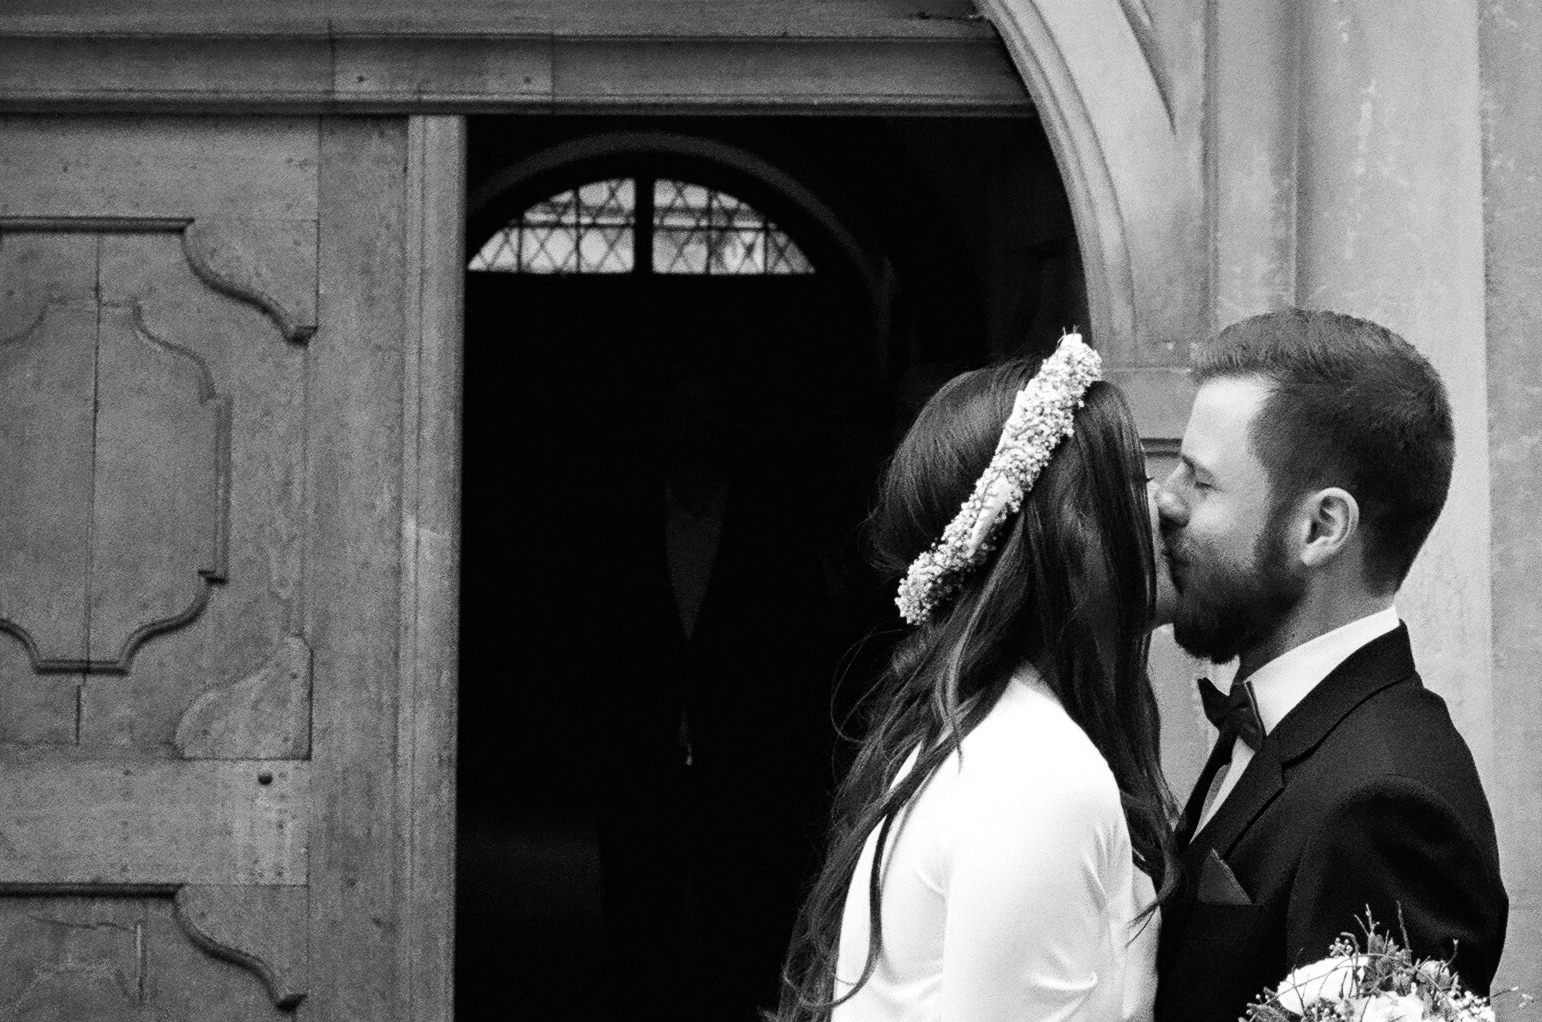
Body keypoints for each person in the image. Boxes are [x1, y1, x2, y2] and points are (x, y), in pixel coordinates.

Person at [775, 334, 1179, 1022]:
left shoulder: (994, 737)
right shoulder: (1036, 773)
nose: (1167, 504)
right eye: (1137, 481)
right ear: (1068, 530)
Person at [1152, 309, 1508, 1022]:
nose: (1165, 498)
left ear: (1320, 528)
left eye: (1201, 481)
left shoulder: (1389, 805)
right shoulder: (1281, 721)